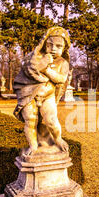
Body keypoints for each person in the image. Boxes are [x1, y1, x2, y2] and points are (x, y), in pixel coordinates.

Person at [13, 26, 71, 156]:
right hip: (30, 95)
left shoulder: (63, 63)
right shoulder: (35, 57)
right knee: (30, 120)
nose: (53, 49)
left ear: (64, 48)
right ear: (44, 44)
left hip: (48, 96)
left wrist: (45, 69)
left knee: (51, 120)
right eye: (50, 45)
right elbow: (27, 70)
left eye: (58, 46)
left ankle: (58, 139)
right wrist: (40, 63)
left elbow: (61, 79)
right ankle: (33, 146)